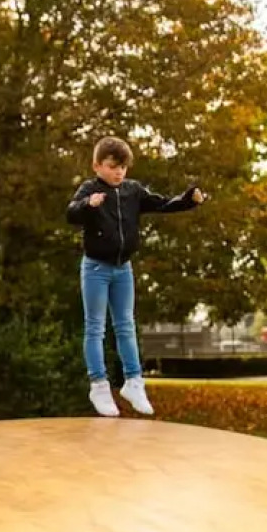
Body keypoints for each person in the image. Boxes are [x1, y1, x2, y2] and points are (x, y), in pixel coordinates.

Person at [66, 136, 205, 417]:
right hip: (95, 268)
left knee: (126, 326)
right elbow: (70, 213)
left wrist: (189, 200)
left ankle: (133, 382)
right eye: (112, 166)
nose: (119, 172)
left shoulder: (132, 191)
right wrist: (88, 205)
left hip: (123, 269)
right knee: (95, 327)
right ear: (97, 166)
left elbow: (163, 204)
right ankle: (99, 386)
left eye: (123, 167)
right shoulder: (89, 189)